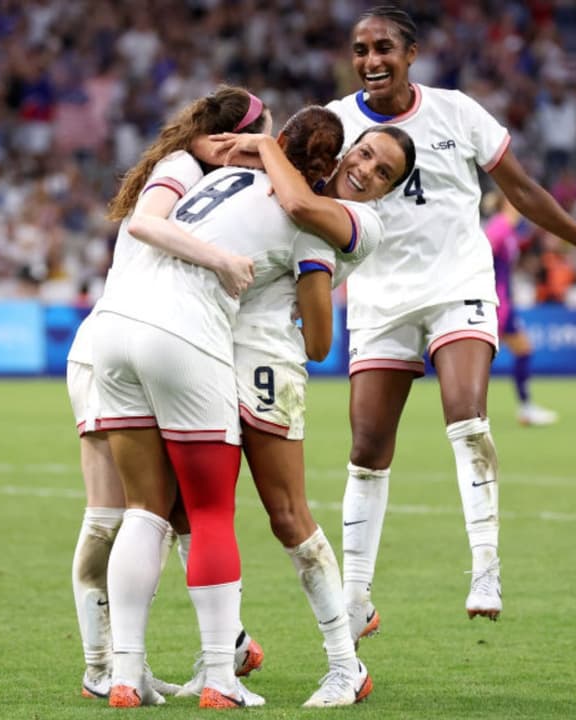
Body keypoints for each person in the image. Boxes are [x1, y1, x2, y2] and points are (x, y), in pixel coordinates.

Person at [325, 7, 576, 633]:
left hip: (457, 284)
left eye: (383, 47)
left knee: (466, 413)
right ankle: (356, 600)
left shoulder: (457, 111)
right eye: (361, 49)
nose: (371, 61)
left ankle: (485, 567)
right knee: (365, 447)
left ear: (411, 53)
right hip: (379, 295)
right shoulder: (335, 121)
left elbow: (522, 190)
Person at [91, 106, 343, 710]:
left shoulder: (207, 173)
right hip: (183, 333)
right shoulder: (305, 210)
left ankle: (124, 677)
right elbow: (319, 336)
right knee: (208, 511)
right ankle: (221, 681)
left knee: (144, 510)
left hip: (111, 325)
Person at [63, 85, 268, 704]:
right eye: (249, 146)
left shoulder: (204, 181)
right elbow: (146, 224)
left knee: (156, 511)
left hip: (122, 337)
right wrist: (224, 263)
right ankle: (103, 666)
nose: (254, 160)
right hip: (115, 339)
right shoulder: (180, 167)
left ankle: (157, 660)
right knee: (115, 516)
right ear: (223, 138)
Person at [204, 118, 414, 706]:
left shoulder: (352, 224)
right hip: (212, 349)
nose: (366, 170)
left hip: (269, 362)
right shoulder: (294, 197)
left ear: (388, 192)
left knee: (287, 515)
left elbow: (320, 344)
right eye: (365, 154)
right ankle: (225, 650)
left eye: (383, 173)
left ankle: (346, 668)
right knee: (186, 508)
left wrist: (265, 144)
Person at [482, 194, 558, 426]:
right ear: (508, 203)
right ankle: (523, 408)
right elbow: (484, 252)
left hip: (501, 300)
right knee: (488, 357)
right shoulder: (499, 227)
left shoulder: (509, 229)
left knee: (517, 351)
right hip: (496, 301)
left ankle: (524, 407)